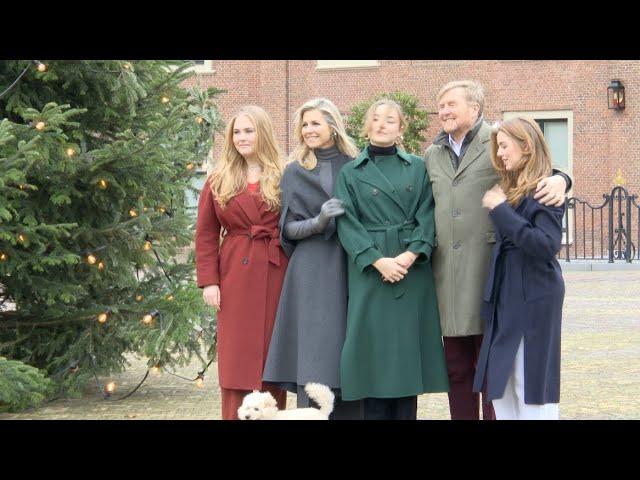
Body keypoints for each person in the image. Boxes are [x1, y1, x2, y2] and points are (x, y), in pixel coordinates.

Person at [423, 80, 571, 420]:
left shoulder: (498, 140)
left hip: (492, 276)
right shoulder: (432, 154)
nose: (443, 110)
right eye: (440, 104)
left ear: (474, 108)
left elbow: (535, 168)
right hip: (449, 277)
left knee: (501, 372)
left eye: (450, 104)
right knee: (458, 369)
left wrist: (562, 178)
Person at [334, 99, 449, 420]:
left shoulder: (417, 166)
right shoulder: (350, 172)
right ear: (366, 125)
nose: (382, 124)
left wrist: (411, 255)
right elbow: (346, 221)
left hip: (412, 271)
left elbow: (429, 212)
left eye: (389, 119)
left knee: (405, 359)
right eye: (376, 118)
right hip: (370, 273)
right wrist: (377, 260)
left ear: (401, 128)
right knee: (373, 356)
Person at [262, 98, 363, 419]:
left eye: (315, 123)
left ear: (333, 125)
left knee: (350, 351)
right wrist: (318, 222)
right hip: (311, 270)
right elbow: (288, 228)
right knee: (315, 353)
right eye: (304, 125)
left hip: (351, 264)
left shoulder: (357, 165)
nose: (308, 130)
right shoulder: (294, 171)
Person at [195, 105, 288, 420]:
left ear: (262, 133)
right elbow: (206, 234)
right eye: (236, 131)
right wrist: (209, 281)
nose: (241, 137)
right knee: (236, 357)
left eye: (249, 130)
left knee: (272, 357)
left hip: (276, 269)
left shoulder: (285, 175)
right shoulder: (218, 178)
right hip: (234, 272)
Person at [472, 117, 565, 420]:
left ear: (526, 146)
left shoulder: (545, 189)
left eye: (504, 146)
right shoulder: (511, 187)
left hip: (534, 294)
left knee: (530, 379)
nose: (499, 154)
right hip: (506, 294)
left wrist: (500, 211)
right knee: (503, 379)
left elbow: (545, 245)